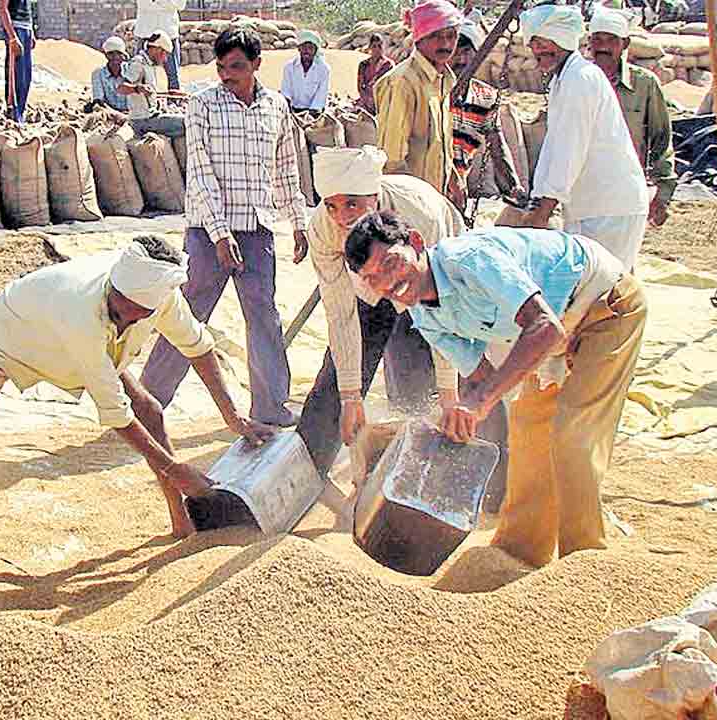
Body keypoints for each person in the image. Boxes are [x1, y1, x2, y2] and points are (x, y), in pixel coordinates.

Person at [0, 236, 274, 590]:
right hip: (5, 340)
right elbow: (116, 413)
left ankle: (181, 520)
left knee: (150, 410)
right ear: (113, 290)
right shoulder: (80, 310)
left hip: (83, 351)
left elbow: (198, 346)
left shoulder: (163, 297)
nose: (125, 322)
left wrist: (233, 416)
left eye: (138, 317)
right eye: (119, 312)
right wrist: (174, 468)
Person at [344, 212, 647, 569]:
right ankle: (520, 554)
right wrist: (459, 419)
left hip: (604, 305)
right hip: (553, 339)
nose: (387, 281)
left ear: (415, 242)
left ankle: (583, 565)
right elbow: (481, 376)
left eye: (390, 263)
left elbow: (544, 326)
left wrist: (478, 402)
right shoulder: (425, 316)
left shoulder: (469, 260)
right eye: (372, 278)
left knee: (572, 437)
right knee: (528, 431)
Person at [140, 28, 309, 428]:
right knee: (187, 317)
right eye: (221, 67)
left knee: (263, 316)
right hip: (207, 232)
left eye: (236, 66)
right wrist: (219, 234)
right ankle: (148, 403)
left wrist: (298, 223)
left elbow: (286, 170)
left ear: (256, 65)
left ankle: (270, 406)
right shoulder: (203, 105)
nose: (227, 75)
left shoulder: (276, 106)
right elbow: (200, 173)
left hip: (257, 229)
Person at [296, 146, 473, 478]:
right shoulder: (322, 228)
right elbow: (340, 314)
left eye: (352, 204)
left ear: (374, 198)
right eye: (331, 205)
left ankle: (429, 471)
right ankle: (307, 471)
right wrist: (350, 396)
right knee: (335, 385)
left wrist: (449, 394)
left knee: (420, 383)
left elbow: (442, 311)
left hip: (429, 283)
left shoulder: (420, 216)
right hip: (369, 287)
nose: (342, 217)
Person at [515, 4, 647, 271]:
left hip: (610, 208)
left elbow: (569, 149)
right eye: (533, 44)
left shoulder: (581, 79)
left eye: (543, 43)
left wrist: (543, 210)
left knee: (606, 287)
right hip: (590, 207)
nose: (537, 50)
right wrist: (537, 199)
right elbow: (553, 147)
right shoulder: (562, 80)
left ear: (562, 39)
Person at [589, 7, 676, 227]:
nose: (603, 47)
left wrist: (662, 192)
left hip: (626, 187)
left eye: (611, 40)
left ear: (625, 44)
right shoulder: (577, 81)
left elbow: (661, 139)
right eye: (597, 39)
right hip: (584, 188)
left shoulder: (644, 84)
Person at [375, 0, 463, 205]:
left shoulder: (444, 80)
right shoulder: (403, 82)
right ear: (419, 39)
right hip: (411, 201)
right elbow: (392, 158)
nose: (445, 44)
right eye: (435, 36)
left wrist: (453, 180)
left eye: (451, 36)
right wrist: (412, 203)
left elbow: (440, 143)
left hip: (434, 197)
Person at [450, 19, 526, 207]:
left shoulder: (485, 97)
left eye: (466, 52)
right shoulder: (433, 92)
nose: (461, 60)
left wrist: (513, 186)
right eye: (455, 53)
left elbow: (496, 145)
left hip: (459, 187)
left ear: (478, 55)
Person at [121, 32, 186, 139]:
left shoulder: (150, 65)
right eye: (165, 54)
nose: (165, 59)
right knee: (187, 123)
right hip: (142, 120)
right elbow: (121, 87)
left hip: (151, 117)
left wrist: (169, 93)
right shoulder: (138, 63)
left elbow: (149, 92)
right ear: (158, 49)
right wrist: (137, 88)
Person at [134, 0, 187, 91]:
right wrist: (168, 4)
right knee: (138, 72)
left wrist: (156, 2)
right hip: (145, 32)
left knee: (173, 75)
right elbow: (143, 4)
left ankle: (174, 99)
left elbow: (180, 5)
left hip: (169, 33)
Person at [0, 0, 37, 123]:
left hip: (26, 29)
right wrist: (12, 37)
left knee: (26, 76)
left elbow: (27, 9)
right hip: (15, 28)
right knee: (16, 74)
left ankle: (21, 113)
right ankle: (13, 113)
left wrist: (31, 32)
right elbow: (3, 9)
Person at [281, 30, 331, 114]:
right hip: (293, 110)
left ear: (315, 50)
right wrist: (289, 111)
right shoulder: (289, 67)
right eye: (304, 47)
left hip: (315, 111)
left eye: (310, 48)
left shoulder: (324, 69)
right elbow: (286, 91)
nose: (307, 51)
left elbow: (321, 94)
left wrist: (311, 113)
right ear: (299, 49)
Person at [354, 34, 395, 115]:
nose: (377, 49)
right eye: (374, 46)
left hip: (383, 102)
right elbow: (360, 86)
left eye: (379, 46)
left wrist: (377, 101)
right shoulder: (363, 65)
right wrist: (367, 100)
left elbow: (390, 87)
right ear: (370, 47)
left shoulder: (388, 65)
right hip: (366, 102)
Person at [92, 36, 130, 113]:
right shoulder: (98, 73)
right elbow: (99, 100)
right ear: (106, 55)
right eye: (111, 53)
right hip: (109, 113)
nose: (115, 57)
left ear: (123, 55)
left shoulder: (130, 70)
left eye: (118, 53)